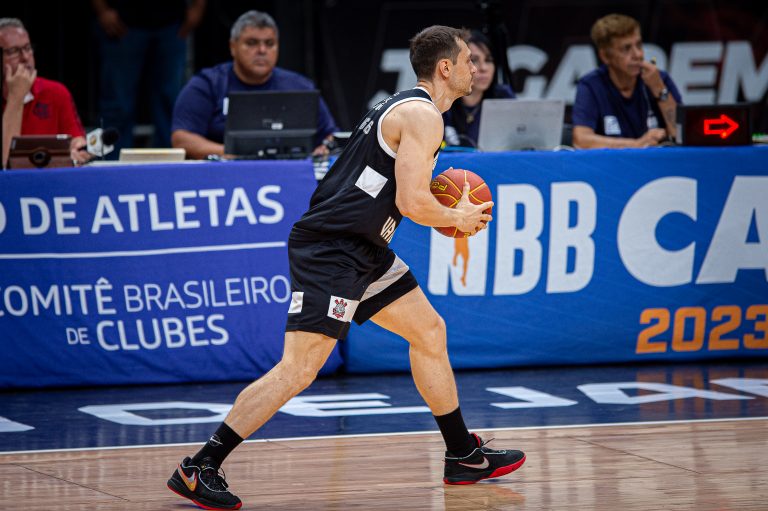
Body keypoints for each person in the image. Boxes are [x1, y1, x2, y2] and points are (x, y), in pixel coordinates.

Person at [166, 25, 526, 510]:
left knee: (429, 332)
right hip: (334, 250)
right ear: (445, 68)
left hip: (363, 246)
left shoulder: (410, 108)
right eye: (468, 60)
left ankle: (462, 454)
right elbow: (413, 202)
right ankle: (200, 466)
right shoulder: (422, 115)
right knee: (298, 369)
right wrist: (457, 217)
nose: (475, 68)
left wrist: (444, 209)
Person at [171, 10, 338, 160]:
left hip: (290, 173)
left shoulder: (300, 87)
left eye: (270, 43)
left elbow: (332, 136)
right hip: (226, 174)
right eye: (252, 43)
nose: (262, 50)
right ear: (232, 46)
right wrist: (234, 155)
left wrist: (324, 148)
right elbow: (182, 139)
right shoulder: (207, 84)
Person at [92, 0, 206, 157]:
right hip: (123, 21)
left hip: (171, 21)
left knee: (170, 101)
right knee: (118, 105)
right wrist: (102, 9)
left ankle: (170, 164)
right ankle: (109, 163)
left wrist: (198, 7)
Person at [572, 13, 682, 149]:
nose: (638, 55)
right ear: (605, 56)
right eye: (626, 48)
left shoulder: (659, 79)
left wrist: (660, 90)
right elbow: (581, 140)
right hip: (613, 162)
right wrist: (636, 144)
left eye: (639, 45)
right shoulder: (591, 85)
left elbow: (680, 134)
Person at [1, 18, 88, 167]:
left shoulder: (56, 93)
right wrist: (16, 98)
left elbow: (77, 141)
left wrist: (76, 149)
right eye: (13, 51)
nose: (25, 57)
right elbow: (5, 164)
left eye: (28, 48)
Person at [443, 30, 515, 148]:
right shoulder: (443, 101)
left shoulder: (503, 96)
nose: (483, 68)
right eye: (474, 60)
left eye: (488, 60)